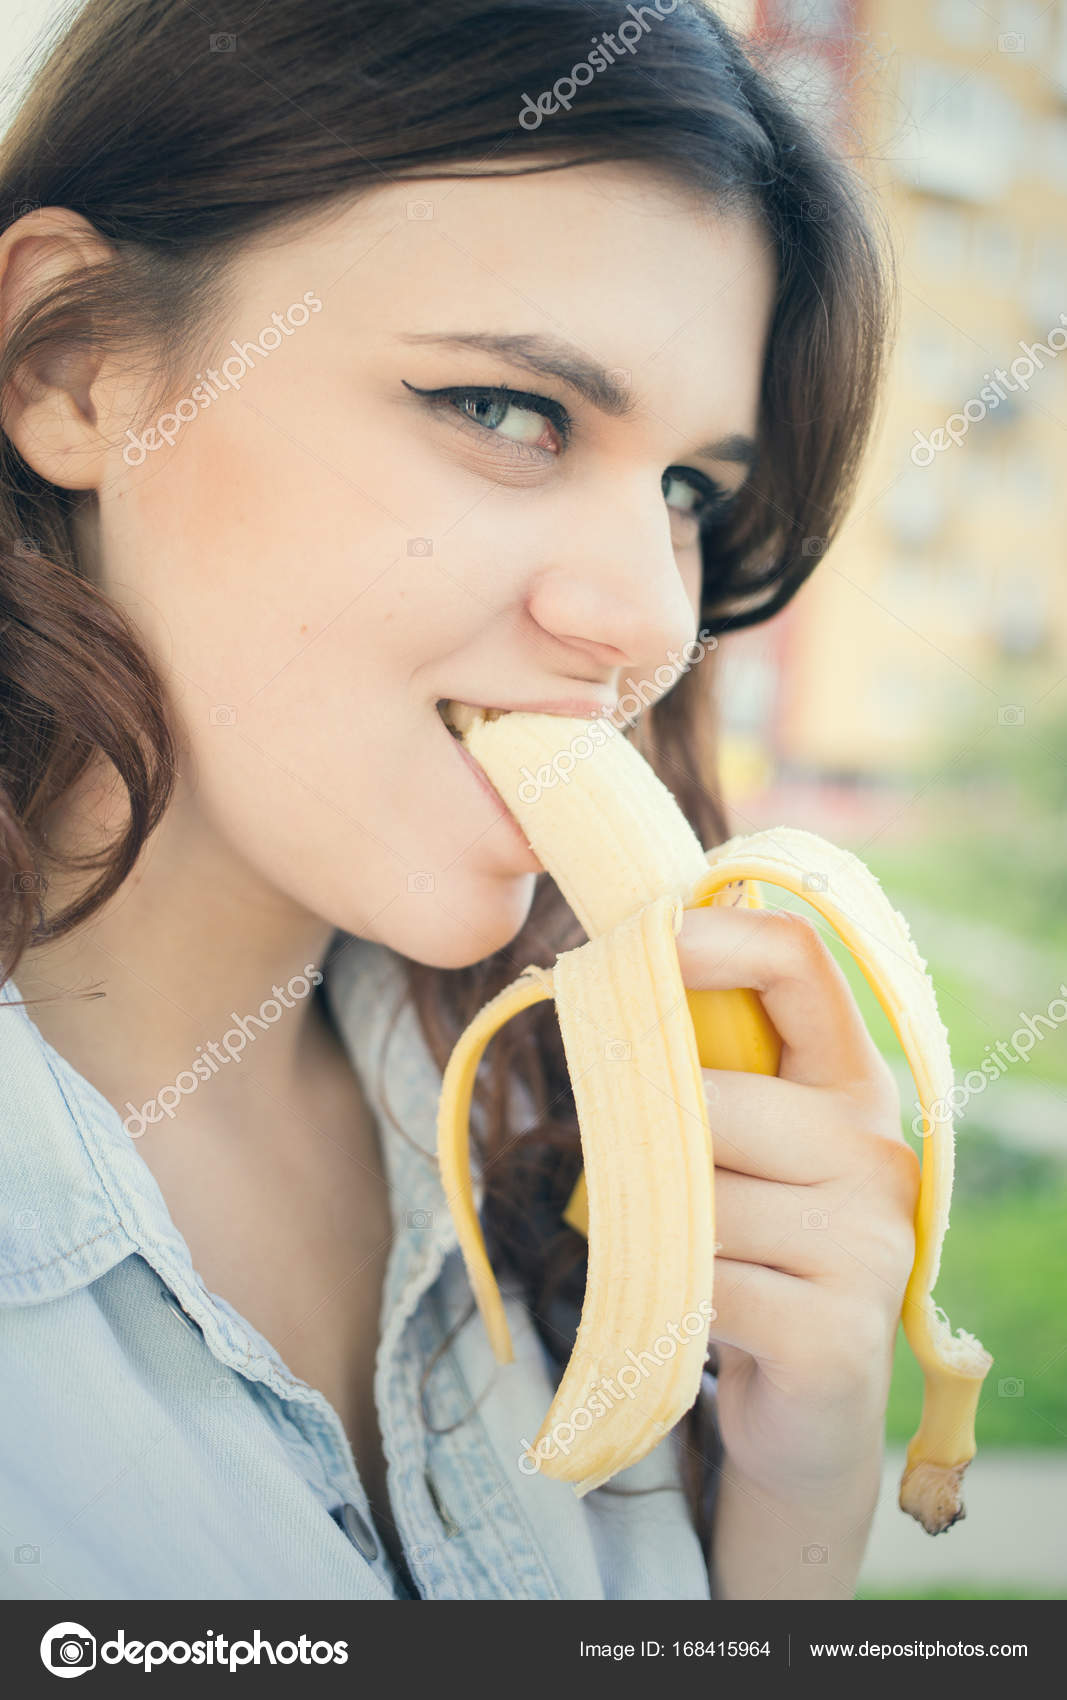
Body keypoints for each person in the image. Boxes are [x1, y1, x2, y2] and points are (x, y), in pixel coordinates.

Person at [0, 0, 914, 1601]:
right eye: (506, 411)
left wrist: (797, 1491)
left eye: (691, 492)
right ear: (74, 364)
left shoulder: (549, 1133)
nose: (650, 620)